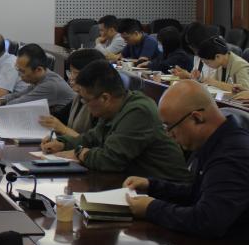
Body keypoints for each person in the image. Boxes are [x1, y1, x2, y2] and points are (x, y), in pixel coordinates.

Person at [124, 80, 249, 245]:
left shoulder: (234, 158)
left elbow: (206, 221)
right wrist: (151, 186)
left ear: (197, 118)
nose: (169, 135)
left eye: (170, 127)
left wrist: (151, 208)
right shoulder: (219, 141)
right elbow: (199, 192)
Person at [42, 60, 190, 181]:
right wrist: (62, 143)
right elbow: (92, 138)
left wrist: (79, 152)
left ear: (105, 98)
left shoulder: (139, 111)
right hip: (134, 183)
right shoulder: (114, 108)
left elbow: (110, 160)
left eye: (86, 100)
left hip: (165, 190)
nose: (85, 105)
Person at [38, 48, 107, 138]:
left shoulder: (100, 103)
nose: (71, 77)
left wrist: (64, 129)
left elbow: (92, 142)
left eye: (75, 73)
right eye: (70, 72)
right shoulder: (78, 98)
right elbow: (59, 117)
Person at [0, 43, 75, 112]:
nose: (19, 74)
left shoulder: (50, 85)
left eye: (22, 71)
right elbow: (19, 95)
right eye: (18, 69)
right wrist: (1, 100)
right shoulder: (41, 78)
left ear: (38, 70)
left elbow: (18, 104)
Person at [175, 36, 249, 92]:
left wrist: (214, 82)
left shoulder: (240, 65)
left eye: (207, 62)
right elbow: (211, 84)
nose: (207, 65)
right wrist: (199, 78)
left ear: (217, 56)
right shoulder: (221, 64)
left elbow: (244, 90)